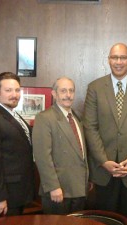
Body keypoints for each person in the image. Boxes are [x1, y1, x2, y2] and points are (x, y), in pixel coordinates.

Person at [83, 43, 127, 225]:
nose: (118, 62)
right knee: (105, 221)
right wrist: (103, 161)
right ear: (108, 60)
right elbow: (90, 127)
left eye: (123, 58)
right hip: (104, 172)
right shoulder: (95, 88)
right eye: (114, 58)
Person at [32, 77, 90, 214]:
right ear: (54, 94)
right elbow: (42, 157)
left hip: (79, 189)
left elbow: (80, 154)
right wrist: (53, 187)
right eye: (63, 91)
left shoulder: (76, 117)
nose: (68, 95)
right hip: (58, 191)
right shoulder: (44, 118)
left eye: (71, 91)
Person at [0, 72, 34, 216]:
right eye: (8, 90)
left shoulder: (12, 113)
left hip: (18, 192)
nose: (14, 94)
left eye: (17, 90)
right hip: (5, 195)